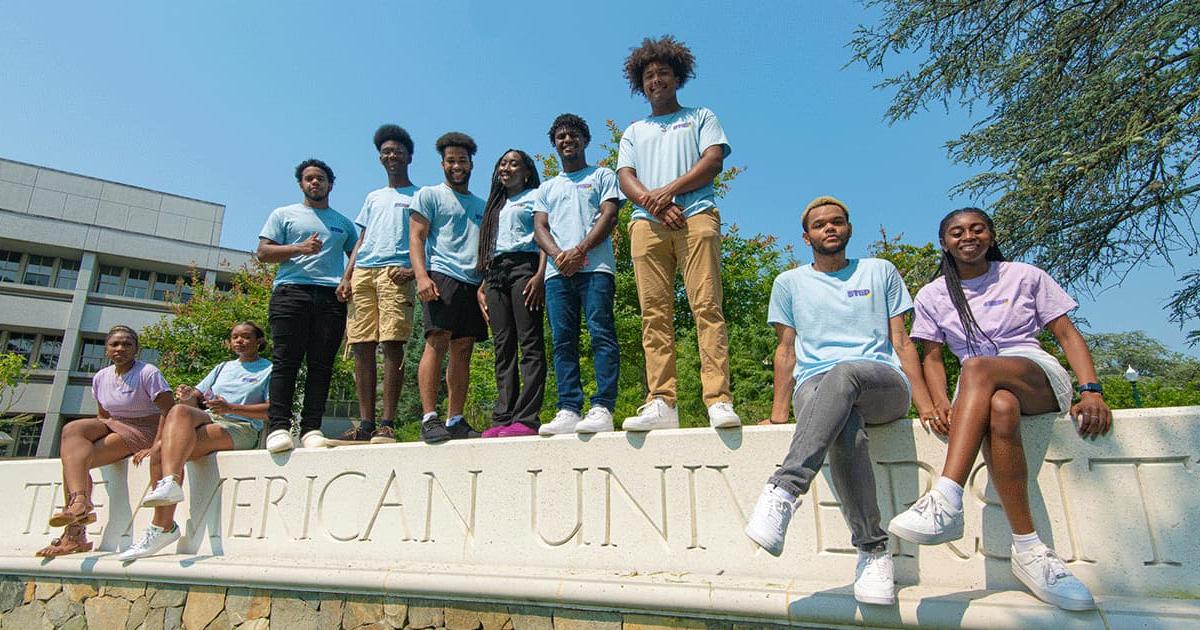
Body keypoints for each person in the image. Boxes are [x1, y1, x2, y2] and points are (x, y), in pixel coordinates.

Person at [888, 207, 1111, 611]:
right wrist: (939, 402)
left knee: (978, 367)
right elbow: (933, 358)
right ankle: (1029, 551)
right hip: (982, 390)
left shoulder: (1024, 275)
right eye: (957, 232)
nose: (968, 237)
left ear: (991, 235)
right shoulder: (933, 294)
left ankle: (946, 497)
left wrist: (1091, 390)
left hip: (1035, 374)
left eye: (978, 229)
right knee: (1001, 407)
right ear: (945, 242)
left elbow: (1066, 334)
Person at [743, 197, 937, 606]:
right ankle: (872, 550)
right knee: (842, 424)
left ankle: (783, 490)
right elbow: (785, 350)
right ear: (806, 236)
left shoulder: (879, 271)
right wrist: (779, 414)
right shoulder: (789, 282)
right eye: (819, 225)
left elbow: (901, 341)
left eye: (837, 222)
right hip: (815, 388)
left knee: (844, 373)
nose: (829, 228)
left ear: (849, 228)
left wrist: (927, 403)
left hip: (880, 383)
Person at [616, 35, 740, 431]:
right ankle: (661, 401)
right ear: (641, 83)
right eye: (649, 76)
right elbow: (625, 178)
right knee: (655, 314)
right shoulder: (634, 130)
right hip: (646, 226)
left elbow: (713, 161)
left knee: (706, 307)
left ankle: (718, 399)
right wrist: (656, 204)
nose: (656, 80)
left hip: (697, 217)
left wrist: (668, 192)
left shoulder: (701, 116)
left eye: (663, 73)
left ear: (677, 77)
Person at [118, 322, 271, 560]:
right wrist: (188, 396)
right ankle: (165, 512)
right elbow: (196, 400)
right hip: (209, 419)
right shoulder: (222, 367)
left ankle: (162, 525)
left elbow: (273, 411)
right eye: (234, 337)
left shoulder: (270, 369)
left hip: (241, 428)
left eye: (246, 336)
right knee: (176, 414)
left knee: (161, 452)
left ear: (259, 341)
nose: (239, 341)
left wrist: (232, 407)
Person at [36, 325, 174, 557]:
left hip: (146, 429)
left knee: (73, 462)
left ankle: (74, 534)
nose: (120, 348)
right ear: (107, 349)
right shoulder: (101, 377)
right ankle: (80, 503)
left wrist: (156, 445)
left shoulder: (148, 373)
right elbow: (103, 414)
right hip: (114, 424)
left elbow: (170, 411)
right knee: (72, 430)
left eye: (127, 344)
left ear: (136, 349)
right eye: (115, 344)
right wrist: (106, 428)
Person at [256, 158, 356, 453]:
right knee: (286, 362)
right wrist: (299, 248)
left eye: (321, 179)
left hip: (329, 298)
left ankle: (312, 427)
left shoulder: (342, 223)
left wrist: (347, 279)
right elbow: (263, 252)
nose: (315, 183)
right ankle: (279, 427)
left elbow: (356, 257)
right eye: (309, 178)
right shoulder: (283, 214)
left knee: (321, 366)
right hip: (291, 293)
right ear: (301, 183)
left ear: (330, 184)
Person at [533, 114, 622, 435]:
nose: (567, 141)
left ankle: (602, 406)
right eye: (560, 137)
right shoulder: (547, 187)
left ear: (584, 140)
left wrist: (580, 250)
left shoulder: (602, 175)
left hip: (595, 269)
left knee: (601, 334)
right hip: (557, 275)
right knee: (562, 341)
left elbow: (609, 214)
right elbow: (539, 227)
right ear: (554, 144)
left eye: (573, 135)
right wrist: (559, 256)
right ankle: (569, 407)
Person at [338, 125, 419, 444]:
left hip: (395, 273)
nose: (391, 156)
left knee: (393, 343)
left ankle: (388, 422)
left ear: (409, 156)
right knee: (361, 346)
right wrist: (346, 275)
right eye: (386, 152)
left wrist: (412, 269)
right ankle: (366, 423)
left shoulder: (419, 195)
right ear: (380, 158)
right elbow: (361, 238)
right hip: (364, 274)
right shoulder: (373, 196)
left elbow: (424, 239)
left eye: (397, 151)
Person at [409, 132, 488, 444]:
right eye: (451, 160)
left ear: (471, 164)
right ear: (442, 163)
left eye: (463, 160)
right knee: (437, 342)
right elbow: (416, 237)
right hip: (442, 275)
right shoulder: (429, 195)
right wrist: (421, 276)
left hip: (473, 282)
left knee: (464, 349)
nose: (457, 165)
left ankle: (454, 418)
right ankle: (430, 417)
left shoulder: (483, 205)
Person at [475, 149, 547, 437]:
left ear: (527, 171)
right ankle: (503, 417)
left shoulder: (536, 197)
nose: (506, 168)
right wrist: (483, 283)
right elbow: (490, 246)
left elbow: (543, 237)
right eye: (502, 163)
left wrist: (541, 275)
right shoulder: (495, 205)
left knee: (529, 342)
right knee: (502, 346)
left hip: (525, 268)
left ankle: (527, 418)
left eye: (513, 163)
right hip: (495, 274)